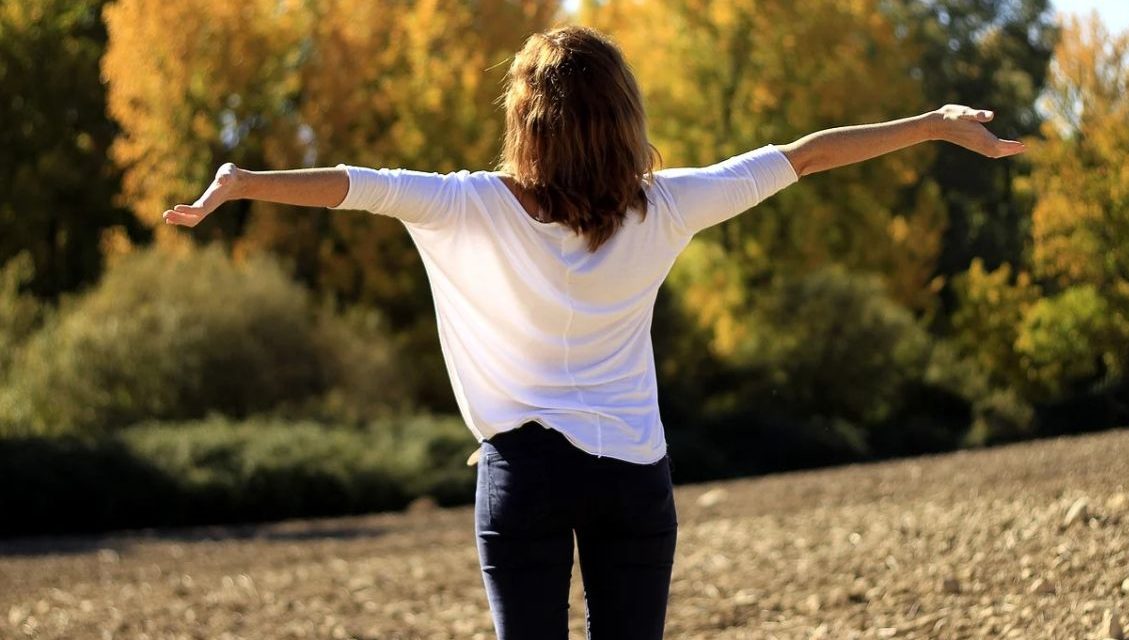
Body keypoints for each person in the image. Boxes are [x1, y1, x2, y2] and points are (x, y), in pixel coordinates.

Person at [164, 24, 1024, 640]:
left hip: (523, 476)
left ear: (525, 122)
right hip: (633, 476)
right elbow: (806, 155)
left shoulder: (468, 205)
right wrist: (934, 125)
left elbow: (352, 185)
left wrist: (241, 183)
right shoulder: (669, 206)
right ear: (624, 118)